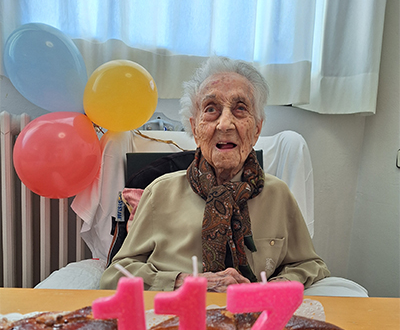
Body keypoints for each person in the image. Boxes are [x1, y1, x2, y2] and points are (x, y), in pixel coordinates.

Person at [100, 56, 330, 292]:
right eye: (211, 109)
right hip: (176, 316)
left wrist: (270, 287)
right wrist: (183, 282)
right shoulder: (159, 192)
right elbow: (115, 274)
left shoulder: (278, 195)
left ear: (257, 129)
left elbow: (310, 265)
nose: (225, 124)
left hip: (252, 318)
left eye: (240, 109)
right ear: (195, 128)